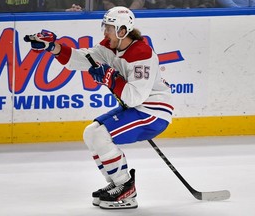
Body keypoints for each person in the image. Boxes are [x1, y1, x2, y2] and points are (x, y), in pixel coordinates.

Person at [24, 6, 173, 209]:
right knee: (92, 133)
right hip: (138, 109)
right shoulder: (109, 47)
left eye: (109, 28)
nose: (105, 32)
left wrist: (110, 79)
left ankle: (126, 190)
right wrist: (53, 47)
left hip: (153, 113)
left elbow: (134, 97)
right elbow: (82, 59)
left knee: (101, 135)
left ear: (122, 31)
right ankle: (117, 184)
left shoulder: (141, 54)